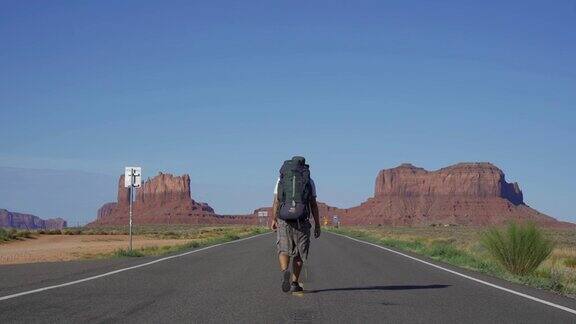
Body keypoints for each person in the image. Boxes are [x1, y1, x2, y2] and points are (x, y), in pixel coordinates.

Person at [270, 156, 321, 293]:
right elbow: (313, 205)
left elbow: (276, 202)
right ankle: (294, 282)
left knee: (283, 249)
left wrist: (274, 219)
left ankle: (284, 271)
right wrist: (317, 224)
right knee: (299, 253)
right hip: (302, 221)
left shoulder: (281, 180)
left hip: (284, 220)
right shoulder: (309, 181)